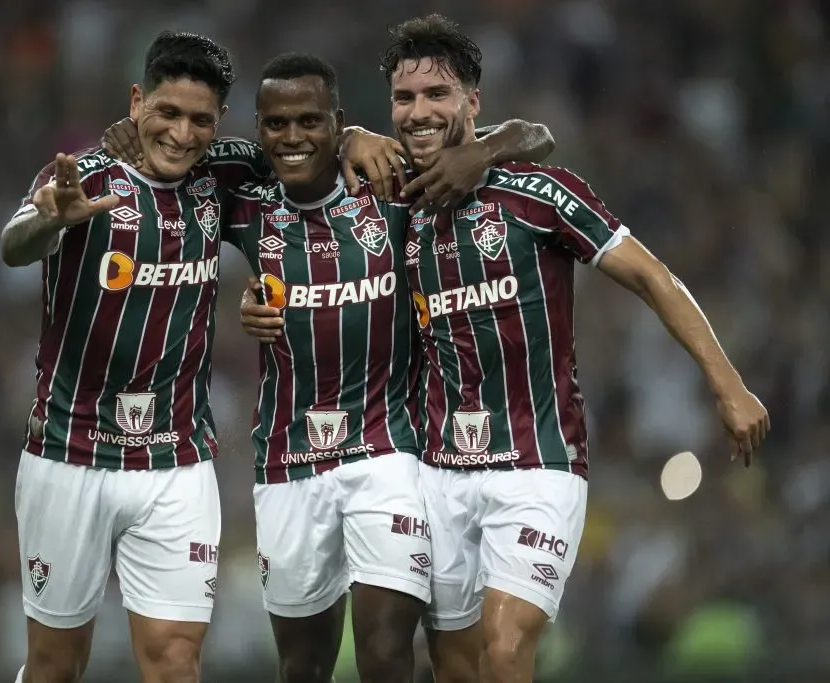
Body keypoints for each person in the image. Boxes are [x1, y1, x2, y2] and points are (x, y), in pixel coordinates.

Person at [242, 14, 771, 683]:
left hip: (537, 463)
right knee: (456, 666)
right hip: (435, 471)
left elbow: (648, 273)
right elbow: (315, 191)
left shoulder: (536, 194)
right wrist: (347, 136)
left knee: (506, 648)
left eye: (438, 95)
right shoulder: (391, 200)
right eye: (405, 99)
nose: (420, 112)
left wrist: (727, 382)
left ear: (473, 102)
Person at [0, 30, 398, 683]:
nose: (183, 134)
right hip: (68, 452)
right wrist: (48, 221)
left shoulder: (224, 171)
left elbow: (300, 147)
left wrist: (355, 137)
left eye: (200, 120)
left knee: (176, 659)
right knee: (53, 665)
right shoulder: (80, 177)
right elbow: (16, 244)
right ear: (137, 101)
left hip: (175, 460)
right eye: (168, 113)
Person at [219, 53, 553, 683]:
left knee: (386, 650)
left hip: (387, 452)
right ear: (259, 130)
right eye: (277, 124)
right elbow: (181, 166)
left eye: (312, 122)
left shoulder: (390, 185)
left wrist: (484, 149)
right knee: (303, 666)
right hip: (285, 462)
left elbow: (538, 136)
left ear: (337, 120)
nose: (294, 137)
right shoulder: (246, 205)